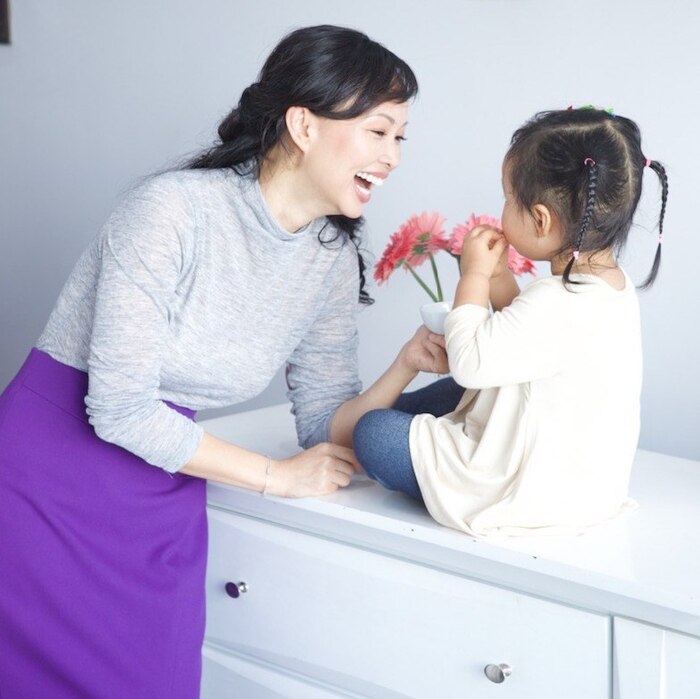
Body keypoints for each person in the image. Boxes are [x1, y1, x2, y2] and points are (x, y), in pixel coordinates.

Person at [0, 25, 451, 698]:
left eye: (400, 138)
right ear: (303, 124)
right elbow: (119, 408)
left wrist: (406, 364)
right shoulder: (170, 210)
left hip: (161, 488)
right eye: (379, 131)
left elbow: (324, 425)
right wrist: (275, 477)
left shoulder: (329, 258)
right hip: (45, 486)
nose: (392, 157)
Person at [354, 107, 668, 538]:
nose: (501, 207)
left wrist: (474, 275)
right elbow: (526, 340)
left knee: (373, 434)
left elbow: (470, 361)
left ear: (540, 219)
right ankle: (407, 425)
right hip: (586, 487)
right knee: (454, 398)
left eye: (507, 198)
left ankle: (417, 454)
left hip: (529, 491)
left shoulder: (557, 300)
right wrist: (501, 278)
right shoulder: (612, 289)